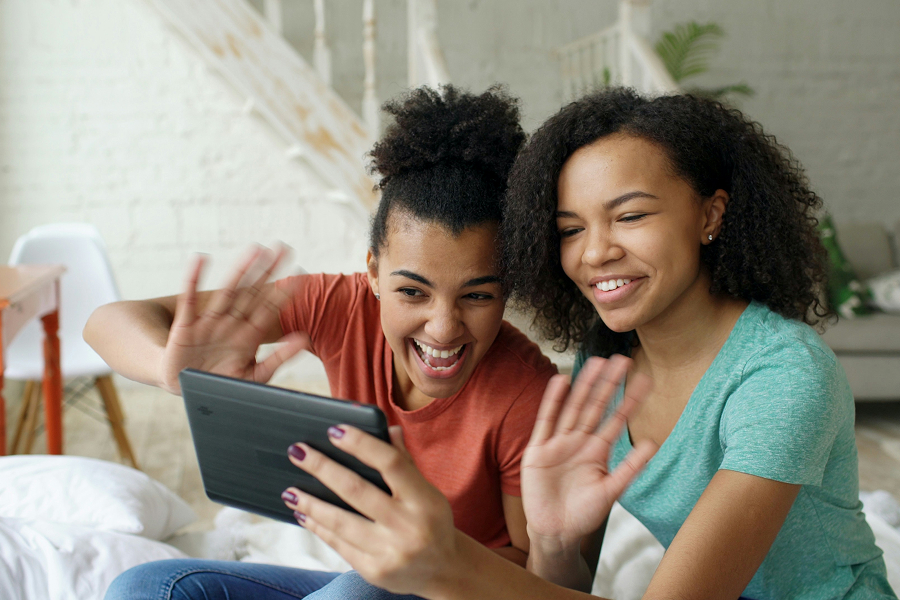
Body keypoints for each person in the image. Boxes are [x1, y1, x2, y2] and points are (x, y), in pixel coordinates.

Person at [275, 88, 898, 599]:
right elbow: (563, 587)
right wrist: (551, 541)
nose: (596, 252)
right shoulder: (602, 377)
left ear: (710, 215)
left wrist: (449, 564)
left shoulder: (783, 374)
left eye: (629, 216)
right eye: (571, 229)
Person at [91, 85, 563, 600]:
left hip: (452, 590)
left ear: (506, 291)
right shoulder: (337, 305)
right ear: (373, 274)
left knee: (356, 592)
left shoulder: (526, 391)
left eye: (477, 295)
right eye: (412, 291)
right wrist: (169, 370)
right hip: (365, 582)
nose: (444, 327)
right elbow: (107, 320)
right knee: (147, 586)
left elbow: (533, 572)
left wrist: (430, 559)